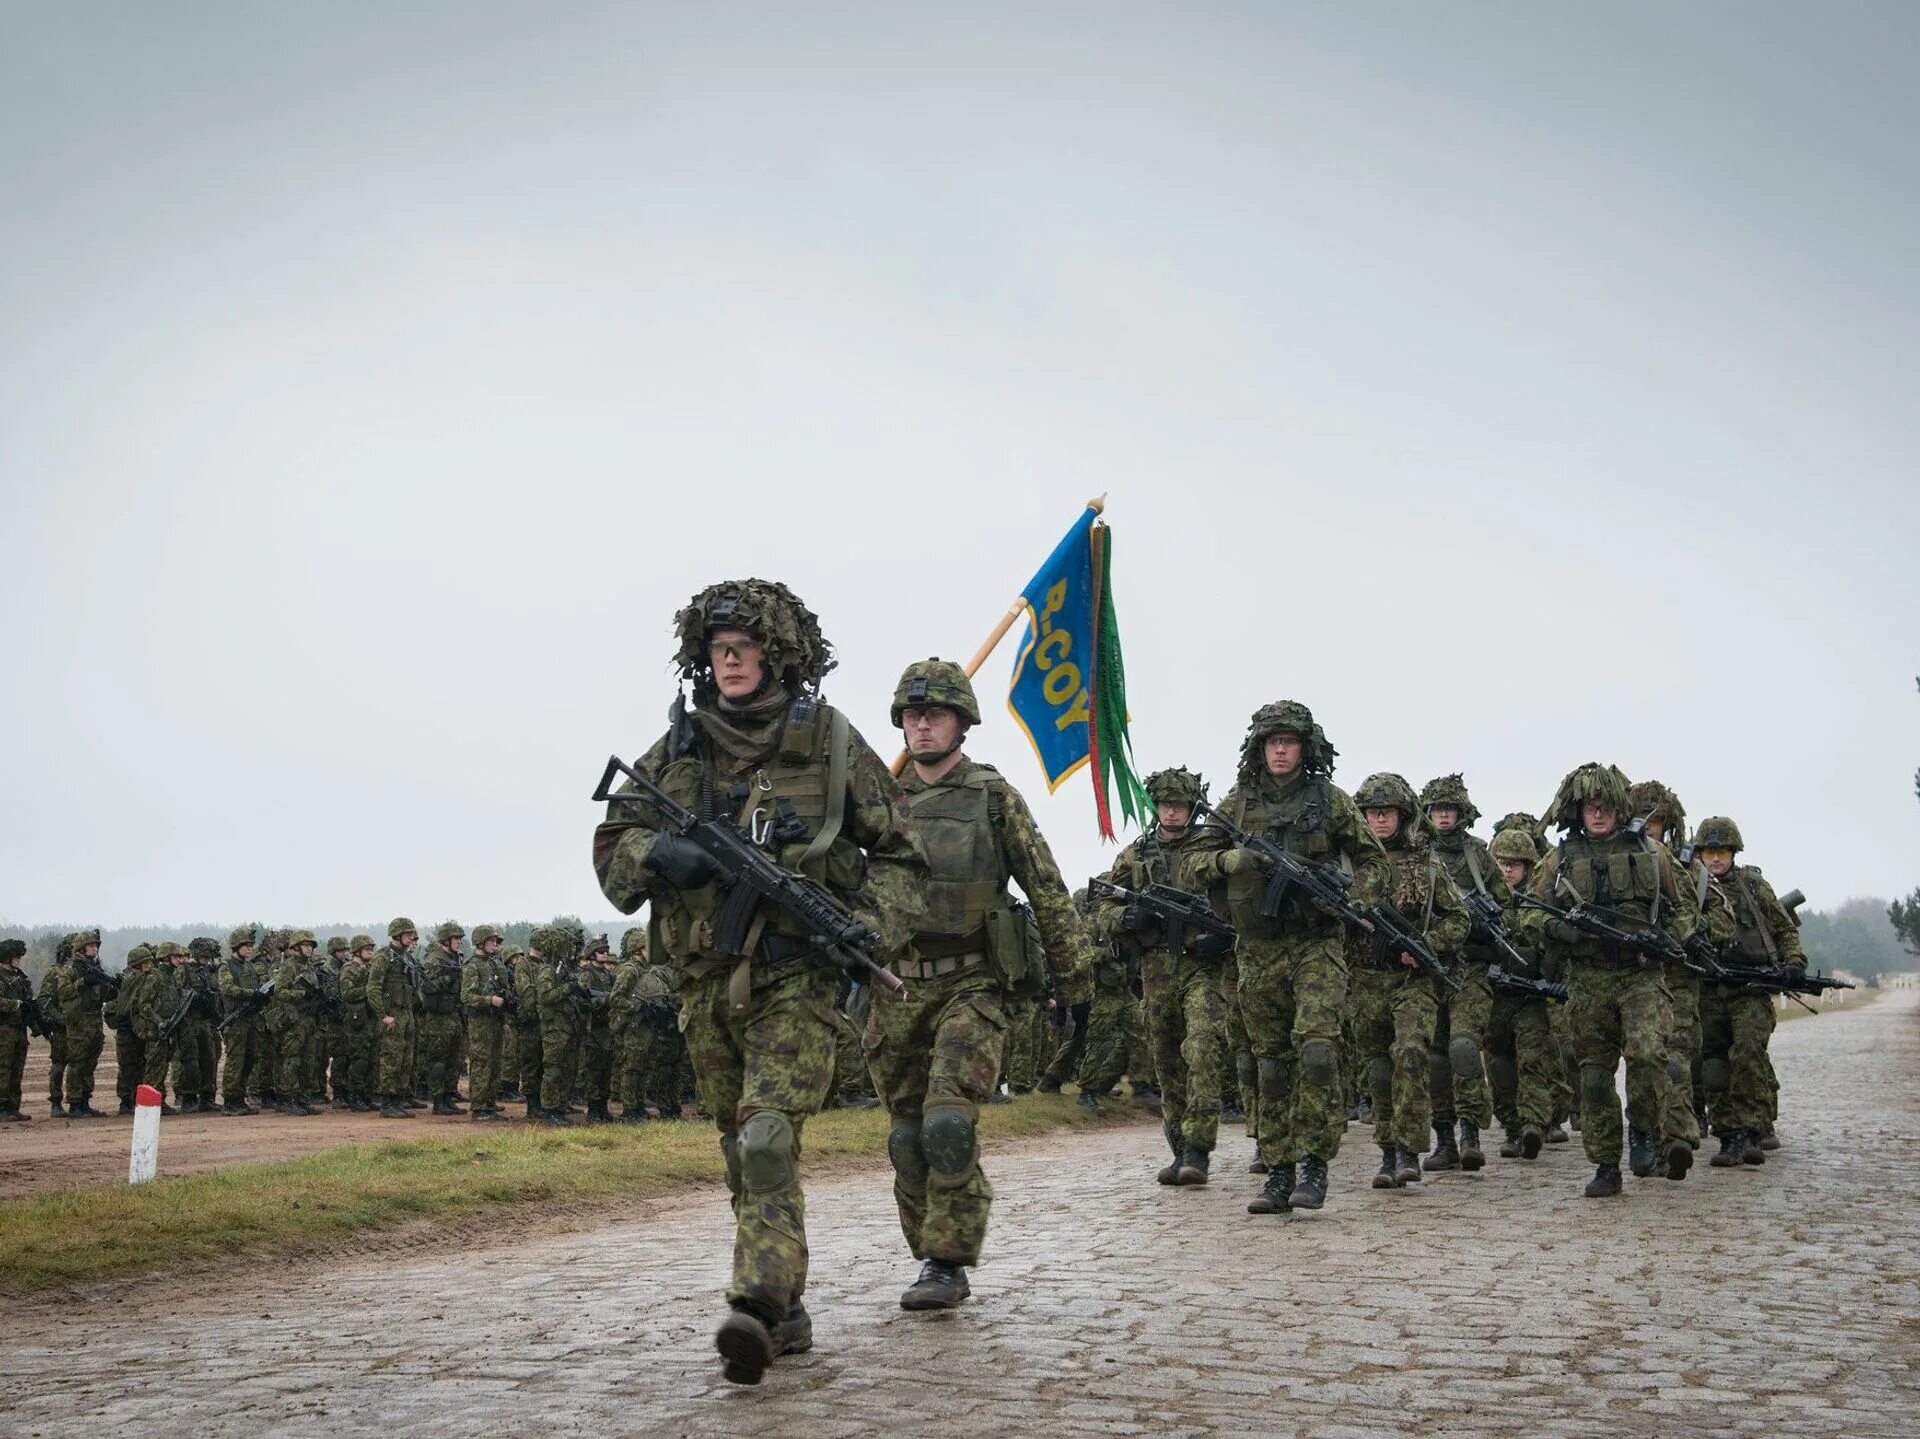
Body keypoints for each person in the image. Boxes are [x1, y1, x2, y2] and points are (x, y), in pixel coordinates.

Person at [592, 579, 925, 1385]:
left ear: (778, 652)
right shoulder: (675, 750)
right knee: (742, 1151)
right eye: (717, 645)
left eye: (744, 643)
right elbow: (613, 844)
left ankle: (760, 1306)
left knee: (769, 1132)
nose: (730, 657)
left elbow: (904, 858)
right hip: (705, 983)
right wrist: (654, 856)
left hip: (798, 976)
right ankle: (792, 1302)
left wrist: (866, 925)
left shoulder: (832, 743)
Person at [873, 658, 1089, 1310]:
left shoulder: (993, 797)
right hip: (896, 988)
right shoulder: (879, 802)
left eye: (935, 712)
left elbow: (1045, 885)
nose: (922, 723)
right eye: (913, 714)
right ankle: (928, 1252)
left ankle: (947, 1259)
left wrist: (1074, 976)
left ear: (962, 721)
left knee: (946, 1124)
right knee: (907, 1140)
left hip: (973, 983)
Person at [1187, 701, 1386, 1214]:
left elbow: (1371, 860)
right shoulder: (1237, 803)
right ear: (1259, 747)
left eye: (1289, 741)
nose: (1280, 749)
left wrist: (1357, 900)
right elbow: (1192, 864)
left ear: (1305, 747)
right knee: (1270, 1065)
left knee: (1317, 1051)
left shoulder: (1329, 800)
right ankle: (1277, 1171)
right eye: (1272, 740)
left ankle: (1314, 1164)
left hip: (1316, 944)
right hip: (1256, 949)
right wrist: (1233, 859)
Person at [1516, 763, 1698, 1198]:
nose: (1596, 815)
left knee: (1649, 1056)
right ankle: (1604, 1164)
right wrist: (1559, 931)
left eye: (1603, 807)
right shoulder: (1559, 859)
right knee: (1594, 1079)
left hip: (1640, 976)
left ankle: (1644, 1131)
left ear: (1617, 808)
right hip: (1588, 979)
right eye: (1588, 808)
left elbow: (1687, 908)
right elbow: (1527, 912)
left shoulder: (1653, 855)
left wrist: (1665, 939)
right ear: (1577, 811)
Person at [1090, 767, 1230, 1186]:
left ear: (1193, 807)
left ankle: (1199, 1149)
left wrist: (1222, 939)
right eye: (1165, 804)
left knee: (1203, 1047)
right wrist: (1129, 916)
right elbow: (1103, 907)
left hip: (1202, 967)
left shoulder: (1211, 850)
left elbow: (1239, 904)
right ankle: (1180, 1148)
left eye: (1180, 804)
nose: (1172, 811)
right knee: (1166, 1059)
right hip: (1156, 971)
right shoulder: (1135, 856)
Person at [1345, 773, 1468, 1188]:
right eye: (1372, 813)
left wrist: (1425, 945)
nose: (1379, 820)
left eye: (1387, 812)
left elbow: (1459, 919)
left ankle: (1409, 1151)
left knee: (1412, 1055)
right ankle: (1386, 1150)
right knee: (1378, 1071)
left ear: (1403, 815)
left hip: (1411, 981)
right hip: (1364, 981)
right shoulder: (1348, 866)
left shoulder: (1427, 865)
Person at [1692, 816, 1803, 1167]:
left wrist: (1795, 962)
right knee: (1713, 1066)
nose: (1715, 858)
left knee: (1748, 1054)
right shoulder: (1689, 888)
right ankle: (1729, 1136)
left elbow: (1784, 930)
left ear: (1734, 853)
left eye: (1722, 850)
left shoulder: (1754, 887)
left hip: (1750, 990)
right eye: (1709, 851)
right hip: (1708, 992)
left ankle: (1754, 1130)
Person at [1418, 774, 1500, 1172]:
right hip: (1429, 968)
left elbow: (1510, 907)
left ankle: (1471, 1133)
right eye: (1436, 809)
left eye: (1449, 808)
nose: (1442, 815)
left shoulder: (1478, 855)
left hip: (1469, 968)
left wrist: (1487, 926)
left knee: (1464, 1047)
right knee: (1435, 1059)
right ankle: (1445, 1138)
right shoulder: (1417, 854)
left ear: (1461, 813)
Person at [367, 918, 423, 1118]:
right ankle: (388, 1103)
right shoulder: (384, 957)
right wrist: (383, 1015)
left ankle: (399, 1099)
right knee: (391, 1059)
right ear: (397, 935)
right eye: (409, 934)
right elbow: (373, 988)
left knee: (406, 1060)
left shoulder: (406, 958)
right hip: (393, 1016)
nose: (412, 938)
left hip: (407, 1014)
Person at [58, 928, 113, 1118]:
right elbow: (64, 993)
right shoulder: (70, 969)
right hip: (79, 1022)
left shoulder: (96, 968)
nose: (94, 949)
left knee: (90, 1062)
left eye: (95, 946)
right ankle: (74, 1103)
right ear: (81, 948)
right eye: (90, 946)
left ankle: (84, 1100)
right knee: (77, 1062)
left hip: (94, 1020)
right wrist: (82, 982)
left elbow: (102, 995)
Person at [461, 924, 512, 1122]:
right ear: (481, 942)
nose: (494, 944)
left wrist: (504, 1021)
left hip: (495, 1022)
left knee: (495, 1063)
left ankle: (489, 1103)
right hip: (480, 1023)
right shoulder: (472, 965)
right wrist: (488, 1000)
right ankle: (480, 1107)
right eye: (491, 941)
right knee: (481, 1064)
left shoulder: (493, 963)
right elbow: (466, 996)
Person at [217, 925, 267, 1114]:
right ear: (236, 947)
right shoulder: (226, 966)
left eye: (251, 945)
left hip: (251, 1020)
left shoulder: (249, 966)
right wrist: (250, 994)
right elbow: (227, 989)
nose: (250, 948)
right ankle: (230, 1100)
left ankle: (240, 1097)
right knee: (235, 1060)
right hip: (236, 1020)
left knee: (250, 1058)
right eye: (245, 945)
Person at [419, 922, 468, 1114]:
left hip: (455, 1016)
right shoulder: (435, 959)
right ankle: (438, 1100)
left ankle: (449, 1096)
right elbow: (427, 987)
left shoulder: (458, 959)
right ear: (445, 940)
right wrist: (448, 978)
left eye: (460, 938)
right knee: (438, 1061)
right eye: (456, 938)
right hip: (438, 1019)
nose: (459, 942)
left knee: (454, 1060)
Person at [1, 938, 38, 1120]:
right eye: (16, 957)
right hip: (4, 1031)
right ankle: (2, 1108)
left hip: (18, 1029)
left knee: (17, 1068)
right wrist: (17, 1005)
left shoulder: (18, 978)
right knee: (3, 1068)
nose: (19, 960)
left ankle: (13, 1106)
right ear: (8, 958)